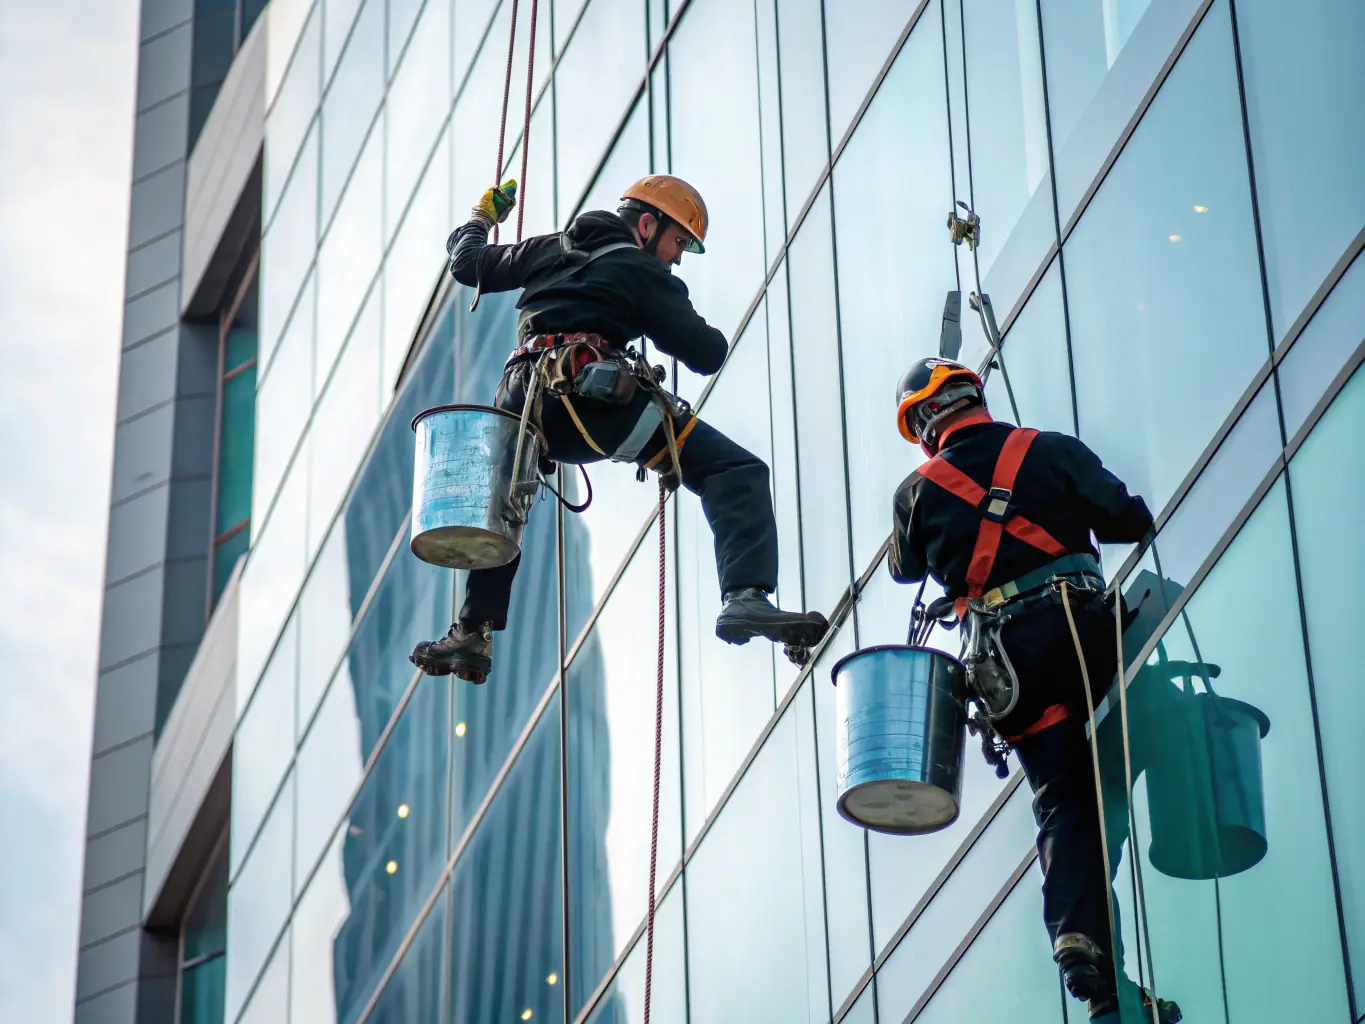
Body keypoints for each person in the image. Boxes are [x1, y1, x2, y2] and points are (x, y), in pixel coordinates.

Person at [410, 174, 827, 683]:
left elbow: (467, 264)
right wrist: (673, 303)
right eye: (677, 243)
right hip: (590, 399)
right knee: (734, 469)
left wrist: (480, 219)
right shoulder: (637, 268)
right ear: (647, 224)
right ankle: (745, 596)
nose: (674, 258)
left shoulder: (548, 249)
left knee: (507, 504)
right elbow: (706, 352)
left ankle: (472, 631)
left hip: (523, 404)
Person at [887, 357, 1181, 1023]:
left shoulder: (916, 490)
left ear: (926, 424)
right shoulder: (1046, 449)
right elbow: (1127, 521)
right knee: (1139, 735)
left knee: (1061, 798)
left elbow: (904, 568)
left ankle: (1078, 944)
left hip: (1011, 668)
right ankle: (1106, 955)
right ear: (974, 398)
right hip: (1083, 637)